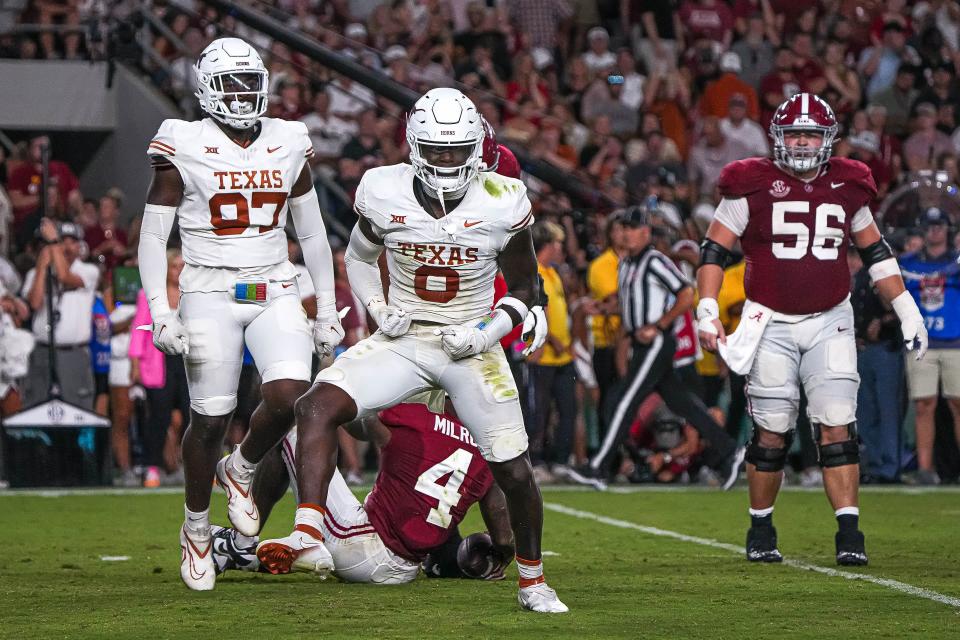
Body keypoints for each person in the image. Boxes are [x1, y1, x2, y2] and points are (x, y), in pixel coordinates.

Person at [257, 88, 565, 613]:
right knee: (315, 403)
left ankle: (534, 583)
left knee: (513, 469)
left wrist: (486, 334)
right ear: (415, 146)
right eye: (437, 150)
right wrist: (378, 307)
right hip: (406, 336)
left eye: (456, 149)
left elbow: (524, 290)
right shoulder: (384, 190)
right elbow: (356, 257)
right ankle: (309, 527)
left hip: (472, 343)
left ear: (476, 148)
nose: (446, 160)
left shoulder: (503, 197)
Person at [137, 37, 344, 591]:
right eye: (230, 83)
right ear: (206, 89)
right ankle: (198, 528)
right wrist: (161, 308)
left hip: (274, 280)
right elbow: (154, 236)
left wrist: (326, 309)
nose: (242, 93)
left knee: (289, 395)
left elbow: (313, 232)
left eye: (249, 82)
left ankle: (244, 463)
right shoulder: (184, 142)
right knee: (209, 417)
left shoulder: (286, 139)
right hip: (207, 285)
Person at [695, 93, 927, 567]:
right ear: (779, 137)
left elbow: (875, 252)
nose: (802, 143)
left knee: (837, 423)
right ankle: (761, 525)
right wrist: (706, 307)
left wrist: (906, 307)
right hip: (770, 319)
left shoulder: (849, 182)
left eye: (811, 134)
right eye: (795, 133)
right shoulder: (751, 182)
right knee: (772, 430)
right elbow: (714, 250)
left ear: (828, 139)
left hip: (830, 317)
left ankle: (849, 530)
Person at [214, 401, 514, 583]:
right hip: (406, 570)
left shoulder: (420, 420)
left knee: (297, 427)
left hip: (362, 545)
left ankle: (242, 543)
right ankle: (250, 554)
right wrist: (496, 559)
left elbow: (362, 424)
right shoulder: (486, 453)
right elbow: (503, 535)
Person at [568, 206, 743, 490]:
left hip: (656, 341)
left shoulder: (654, 261)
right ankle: (730, 452)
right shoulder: (626, 264)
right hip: (640, 341)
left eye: (631, 228)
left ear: (645, 232)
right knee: (682, 404)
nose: (625, 233)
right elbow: (627, 304)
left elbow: (686, 293)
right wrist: (602, 310)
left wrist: (660, 325)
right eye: (623, 228)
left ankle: (598, 467)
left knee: (623, 400)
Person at [898, 207, 960, 486]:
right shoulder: (909, 264)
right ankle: (925, 469)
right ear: (923, 229)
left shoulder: (956, 262)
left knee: (958, 404)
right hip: (922, 341)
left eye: (939, 225)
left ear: (948, 230)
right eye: (930, 226)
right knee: (924, 405)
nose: (935, 230)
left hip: (955, 340)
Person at [21, 220, 99, 409]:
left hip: (74, 353)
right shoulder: (35, 273)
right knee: (37, 409)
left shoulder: (89, 271)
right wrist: (41, 266)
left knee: (78, 411)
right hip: (42, 351)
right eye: (63, 241)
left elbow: (65, 277)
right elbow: (35, 303)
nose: (66, 246)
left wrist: (53, 242)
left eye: (72, 241)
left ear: (80, 246)